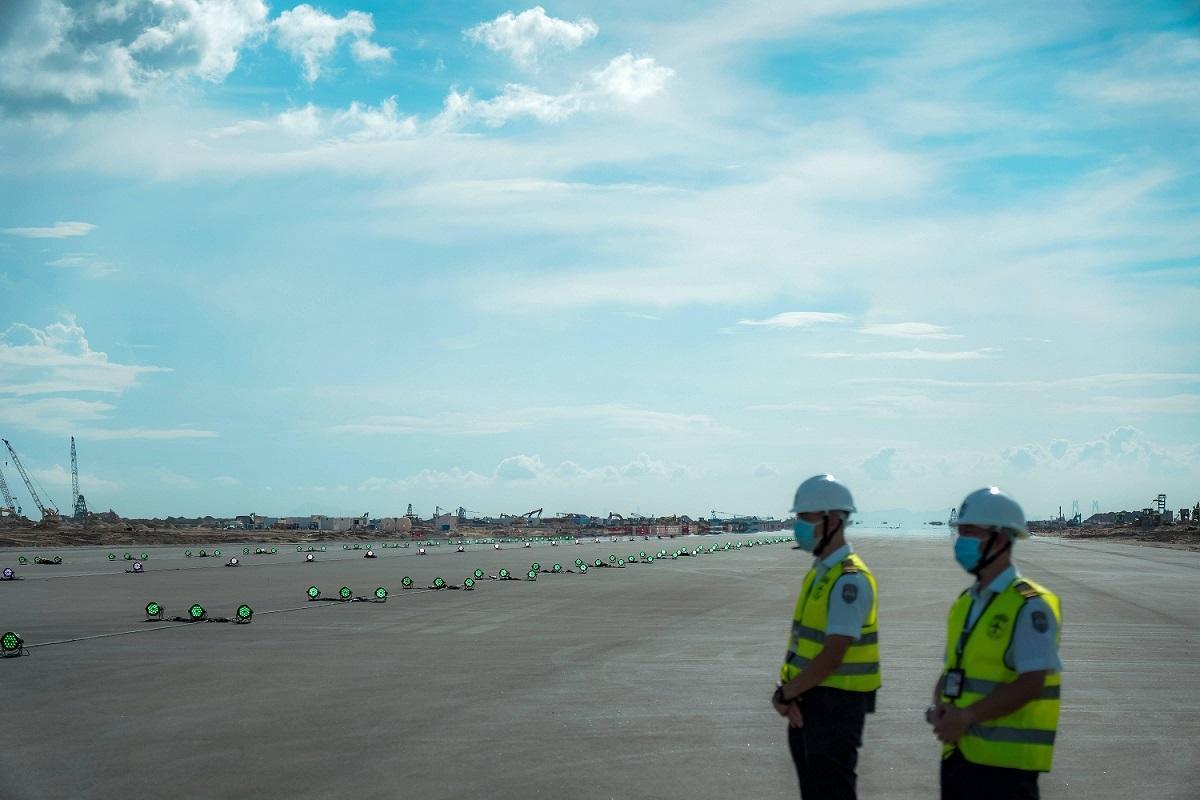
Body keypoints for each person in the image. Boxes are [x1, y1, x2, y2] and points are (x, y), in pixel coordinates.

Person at [928, 487, 1062, 800]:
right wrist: (940, 707)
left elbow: (1031, 684)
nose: (960, 541)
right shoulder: (966, 602)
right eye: (960, 532)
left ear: (1000, 539)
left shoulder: (1031, 605)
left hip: (1005, 771)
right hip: (959, 756)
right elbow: (952, 669)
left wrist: (966, 716)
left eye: (969, 533)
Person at [772, 474, 881, 800]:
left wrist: (785, 694)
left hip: (834, 709)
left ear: (833, 521)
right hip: (809, 703)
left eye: (805, 518)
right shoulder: (822, 573)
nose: (799, 526)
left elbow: (833, 654)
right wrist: (791, 692)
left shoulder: (849, 580)